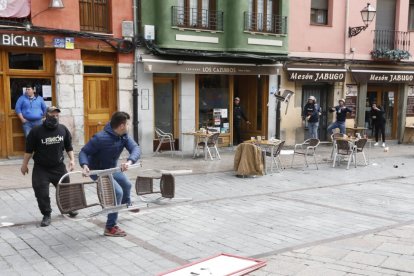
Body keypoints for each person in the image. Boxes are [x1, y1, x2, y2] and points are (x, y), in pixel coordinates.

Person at [79, 111, 140, 237]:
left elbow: (136, 148)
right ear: (122, 126)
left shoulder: (124, 136)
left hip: (111, 168)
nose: (129, 126)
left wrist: (129, 162)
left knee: (127, 185)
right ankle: (110, 227)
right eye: (128, 124)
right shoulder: (100, 138)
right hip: (98, 171)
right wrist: (84, 165)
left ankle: (126, 204)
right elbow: (83, 152)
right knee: (117, 192)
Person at [20, 106, 77, 227]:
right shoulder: (36, 131)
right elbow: (29, 150)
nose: (55, 117)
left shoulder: (63, 129)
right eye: (52, 115)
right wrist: (24, 165)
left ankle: (68, 208)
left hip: (58, 167)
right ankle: (46, 214)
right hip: (41, 168)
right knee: (41, 193)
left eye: (57, 115)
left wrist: (72, 159)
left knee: (65, 189)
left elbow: (69, 146)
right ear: (46, 116)